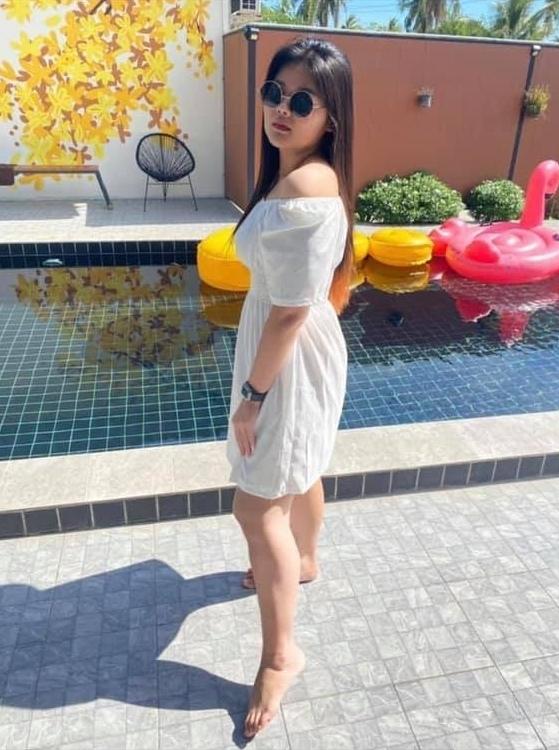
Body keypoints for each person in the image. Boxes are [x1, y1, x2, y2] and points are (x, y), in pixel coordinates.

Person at [225, 36, 354, 739]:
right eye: (274, 92)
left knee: (254, 506)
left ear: (330, 117)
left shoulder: (306, 188)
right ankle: (303, 559)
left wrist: (254, 396)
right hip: (294, 349)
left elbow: (289, 313)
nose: (281, 108)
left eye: (302, 101)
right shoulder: (298, 174)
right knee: (300, 468)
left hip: (286, 356)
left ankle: (281, 656)